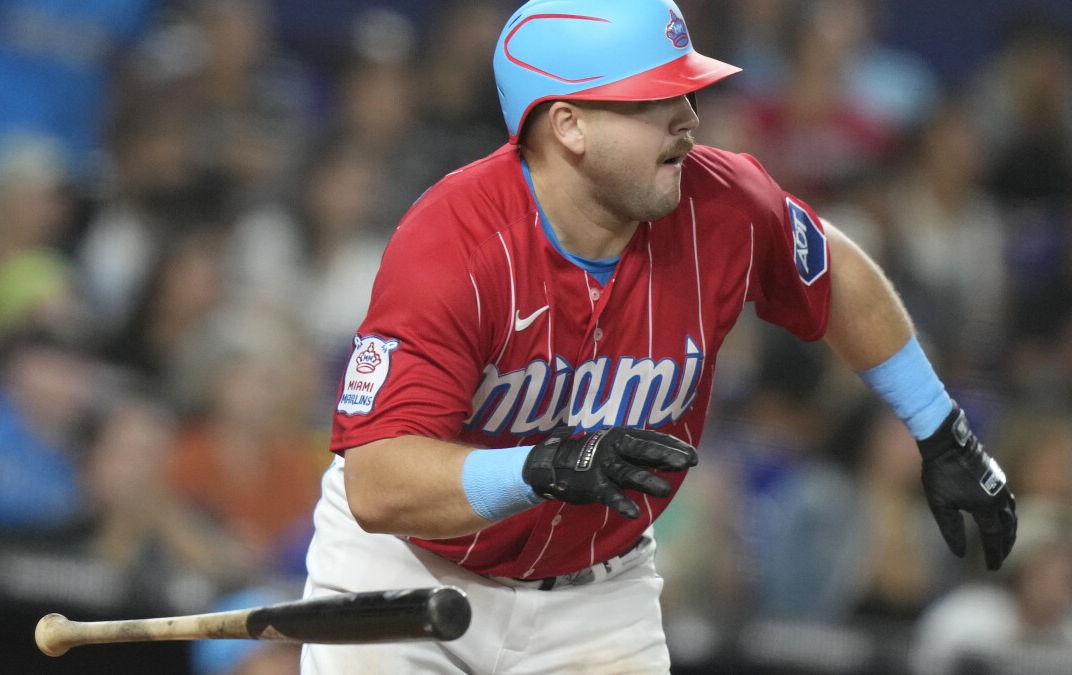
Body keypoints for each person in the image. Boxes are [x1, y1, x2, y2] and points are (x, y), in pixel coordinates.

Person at [301, 1, 1018, 672]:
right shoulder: (453, 242)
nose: (688, 118)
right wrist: (542, 466)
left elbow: (838, 278)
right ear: (569, 125)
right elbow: (379, 480)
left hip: (595, 592)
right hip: (414, 569)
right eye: (655, 98)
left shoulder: (723, 201)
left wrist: (940, 428)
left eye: (687, 92)